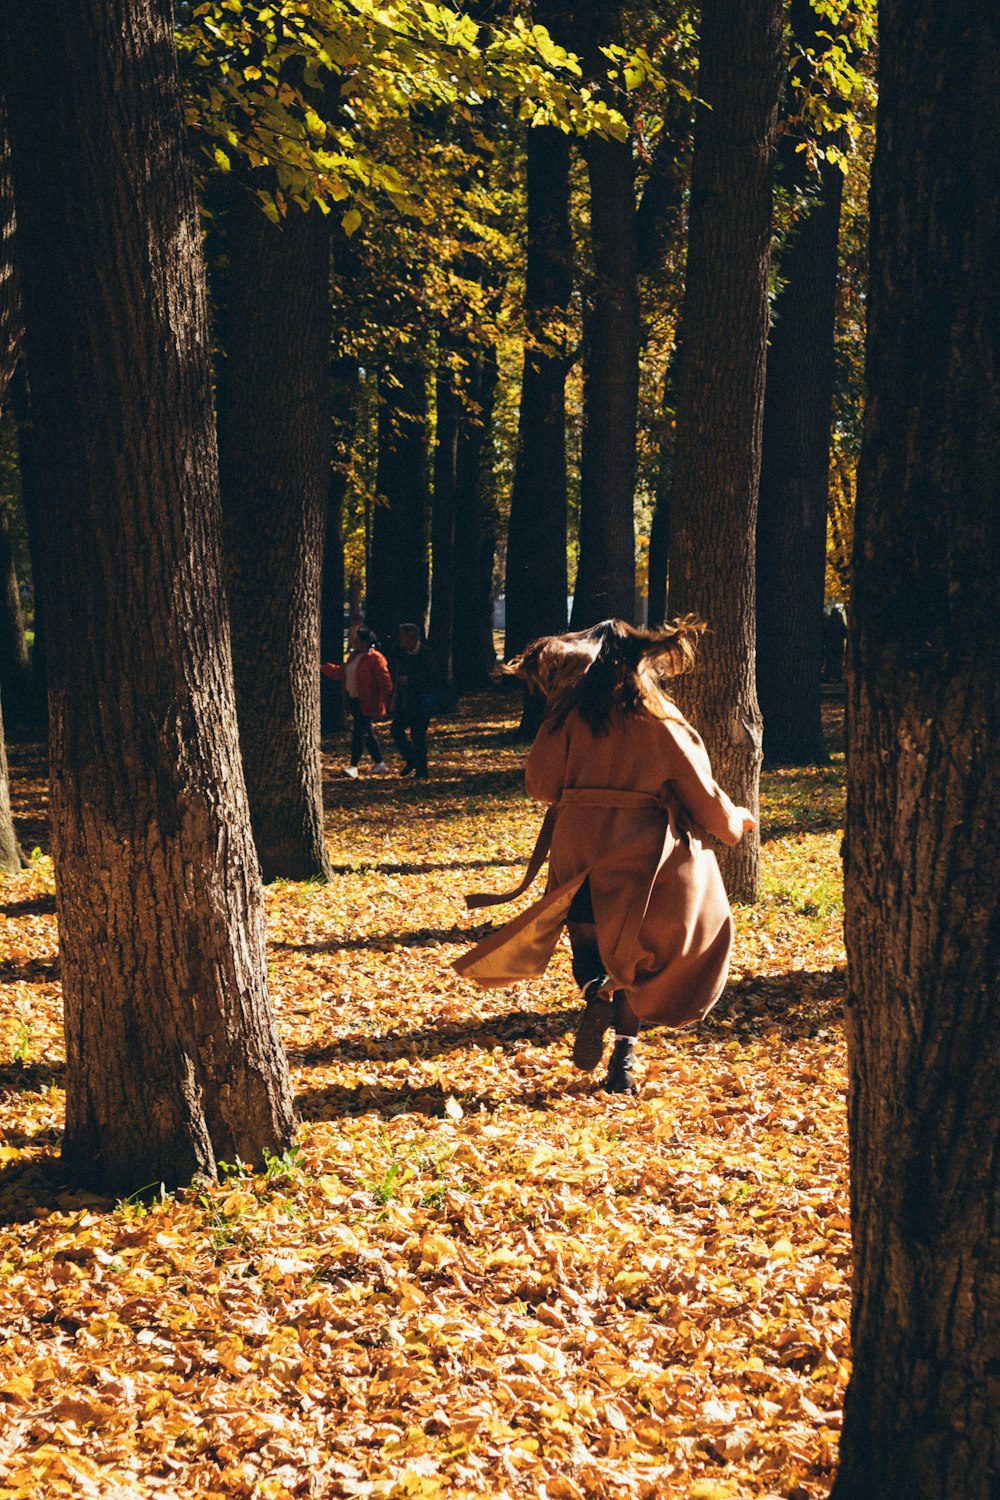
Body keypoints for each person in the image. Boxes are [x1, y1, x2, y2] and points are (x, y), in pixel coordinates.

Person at [453, 618, 755, 1094]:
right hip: (642, 863)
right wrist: (736, 820)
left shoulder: (567, 721)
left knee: (591, 952)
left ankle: (594, 993)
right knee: (634, 964)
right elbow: (708, 801)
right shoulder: (663, 724)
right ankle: (624, 1059)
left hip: (578, 857)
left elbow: (539, 786)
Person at [321, 628, 392, 778]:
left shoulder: (376, 659)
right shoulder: (355, 656)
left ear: (365, 642)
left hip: (368, 701)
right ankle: (379, 763)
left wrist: (387, 702)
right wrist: (323, 668)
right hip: (354, 700)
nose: (354, 643)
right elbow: (342, 672)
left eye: (357, 640)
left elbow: (385, 682)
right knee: (367, 732)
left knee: (359, 732)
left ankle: (354, 766)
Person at [391, 622, 437, 779]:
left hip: (421, 702)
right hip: (404, 701)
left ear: (411, 638)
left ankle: (422, 771)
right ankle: (412, 760)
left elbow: (431, 678)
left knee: (418, 736)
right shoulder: (402, 653)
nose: (400, 640)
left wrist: (410, 680)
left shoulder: (426, 654)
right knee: (396, 730)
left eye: (403, 637)